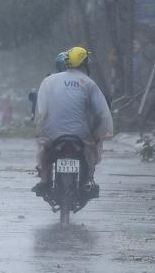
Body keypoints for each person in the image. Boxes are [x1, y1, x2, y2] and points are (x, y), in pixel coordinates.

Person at [32, 46, 113, 196]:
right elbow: (101, 113)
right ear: (84, 63)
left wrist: (38, 129)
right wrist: (99, 134)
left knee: (44, 149)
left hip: (52, 135)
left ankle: (44, 180)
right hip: (81, 136)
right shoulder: (89, 84)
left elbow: (41, 110)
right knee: (92, 150)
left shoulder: (49, 81)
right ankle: (89, 179)